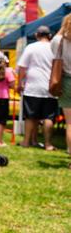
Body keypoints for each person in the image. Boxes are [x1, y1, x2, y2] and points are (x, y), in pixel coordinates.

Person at [17, 25, 57, 150]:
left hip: (33, 86)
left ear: (36, 35)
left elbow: (23, 67)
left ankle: (26, 141)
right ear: (49, 35)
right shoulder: (54, 48)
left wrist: (19, 83)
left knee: (30, 116)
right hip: (50, 87)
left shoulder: (31, 47)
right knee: (48, 117)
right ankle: (48, 144)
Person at [51, 14, 71, 164]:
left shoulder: (59, 41)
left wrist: (62, 29)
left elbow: (53, 47)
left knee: (70, 123)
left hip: (66, 82)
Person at [0, 52, 15, 147]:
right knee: (1, 121)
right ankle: (0, 141)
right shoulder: (8, 71)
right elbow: (12, 85)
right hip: (3, 98)